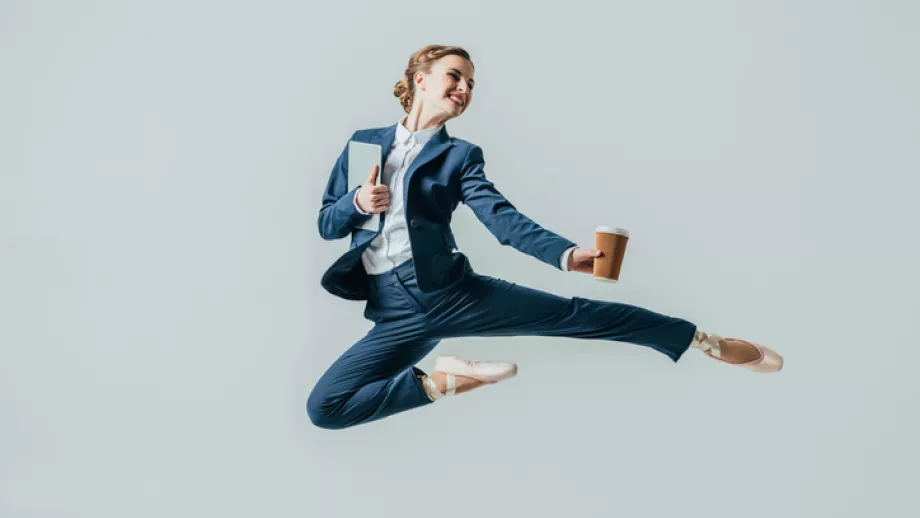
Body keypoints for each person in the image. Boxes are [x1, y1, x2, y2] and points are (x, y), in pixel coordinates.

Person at [307, 44, 783, 430]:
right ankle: (441, 382)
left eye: (471, 83)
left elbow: (499, 216)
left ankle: (703, 340)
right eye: (455, 76)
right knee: (324, 409)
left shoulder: (460, 155)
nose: (464, 88)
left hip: (448, 292)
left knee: (574, 317)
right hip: (395, 312)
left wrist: (564, 253)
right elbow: (329, 223)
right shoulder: (364, 144)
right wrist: (357, 203)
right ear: (421, 79)